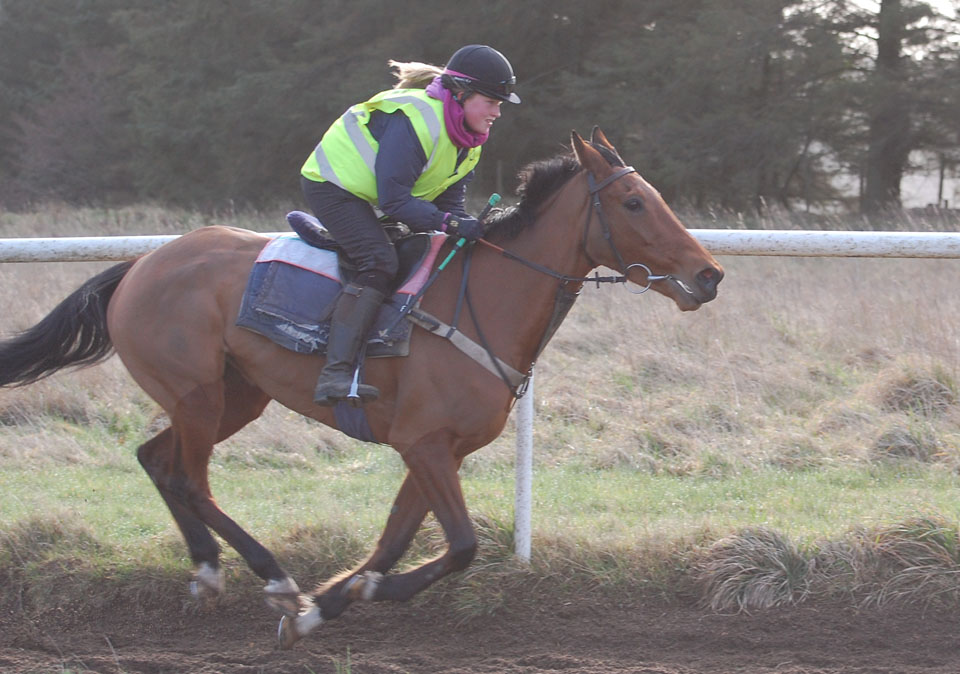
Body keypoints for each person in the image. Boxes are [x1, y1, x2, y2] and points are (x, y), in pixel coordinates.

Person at [300, 44, 520, 406]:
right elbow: (395, 201)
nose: (497, 112)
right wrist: (450, 222)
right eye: (491, 102)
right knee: (379, 261)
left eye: (500, 104)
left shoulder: (470, 140)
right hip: (331, 186)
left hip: (372, 196)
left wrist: (469, 225)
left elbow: (448, 204)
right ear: (461, 94)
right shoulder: (416, 120)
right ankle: (334, 375)